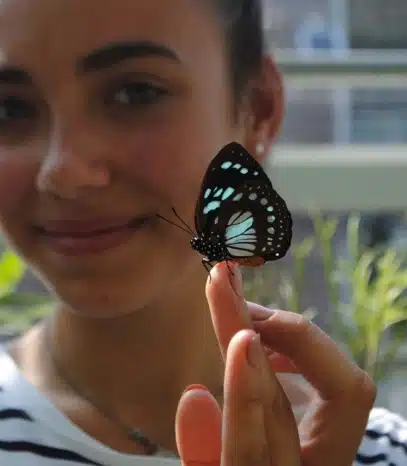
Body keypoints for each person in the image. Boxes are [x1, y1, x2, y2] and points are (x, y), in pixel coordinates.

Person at [0, 0, 402, 464]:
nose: (63, 171)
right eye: (10, 107)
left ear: (257, 110)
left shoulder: (375, 451)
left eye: (135, 93)